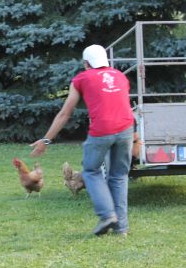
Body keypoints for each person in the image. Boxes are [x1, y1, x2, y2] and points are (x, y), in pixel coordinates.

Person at [30, 44, 134, 236]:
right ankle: (121, 229)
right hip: (127, 128)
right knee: (119, 176)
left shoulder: (82, 78)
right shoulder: (120, 76)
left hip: (102, 130)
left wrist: (45, 140)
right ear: (105, 61)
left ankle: (107, 215)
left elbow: (65, 114)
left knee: (91, 171)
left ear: (86, 63)